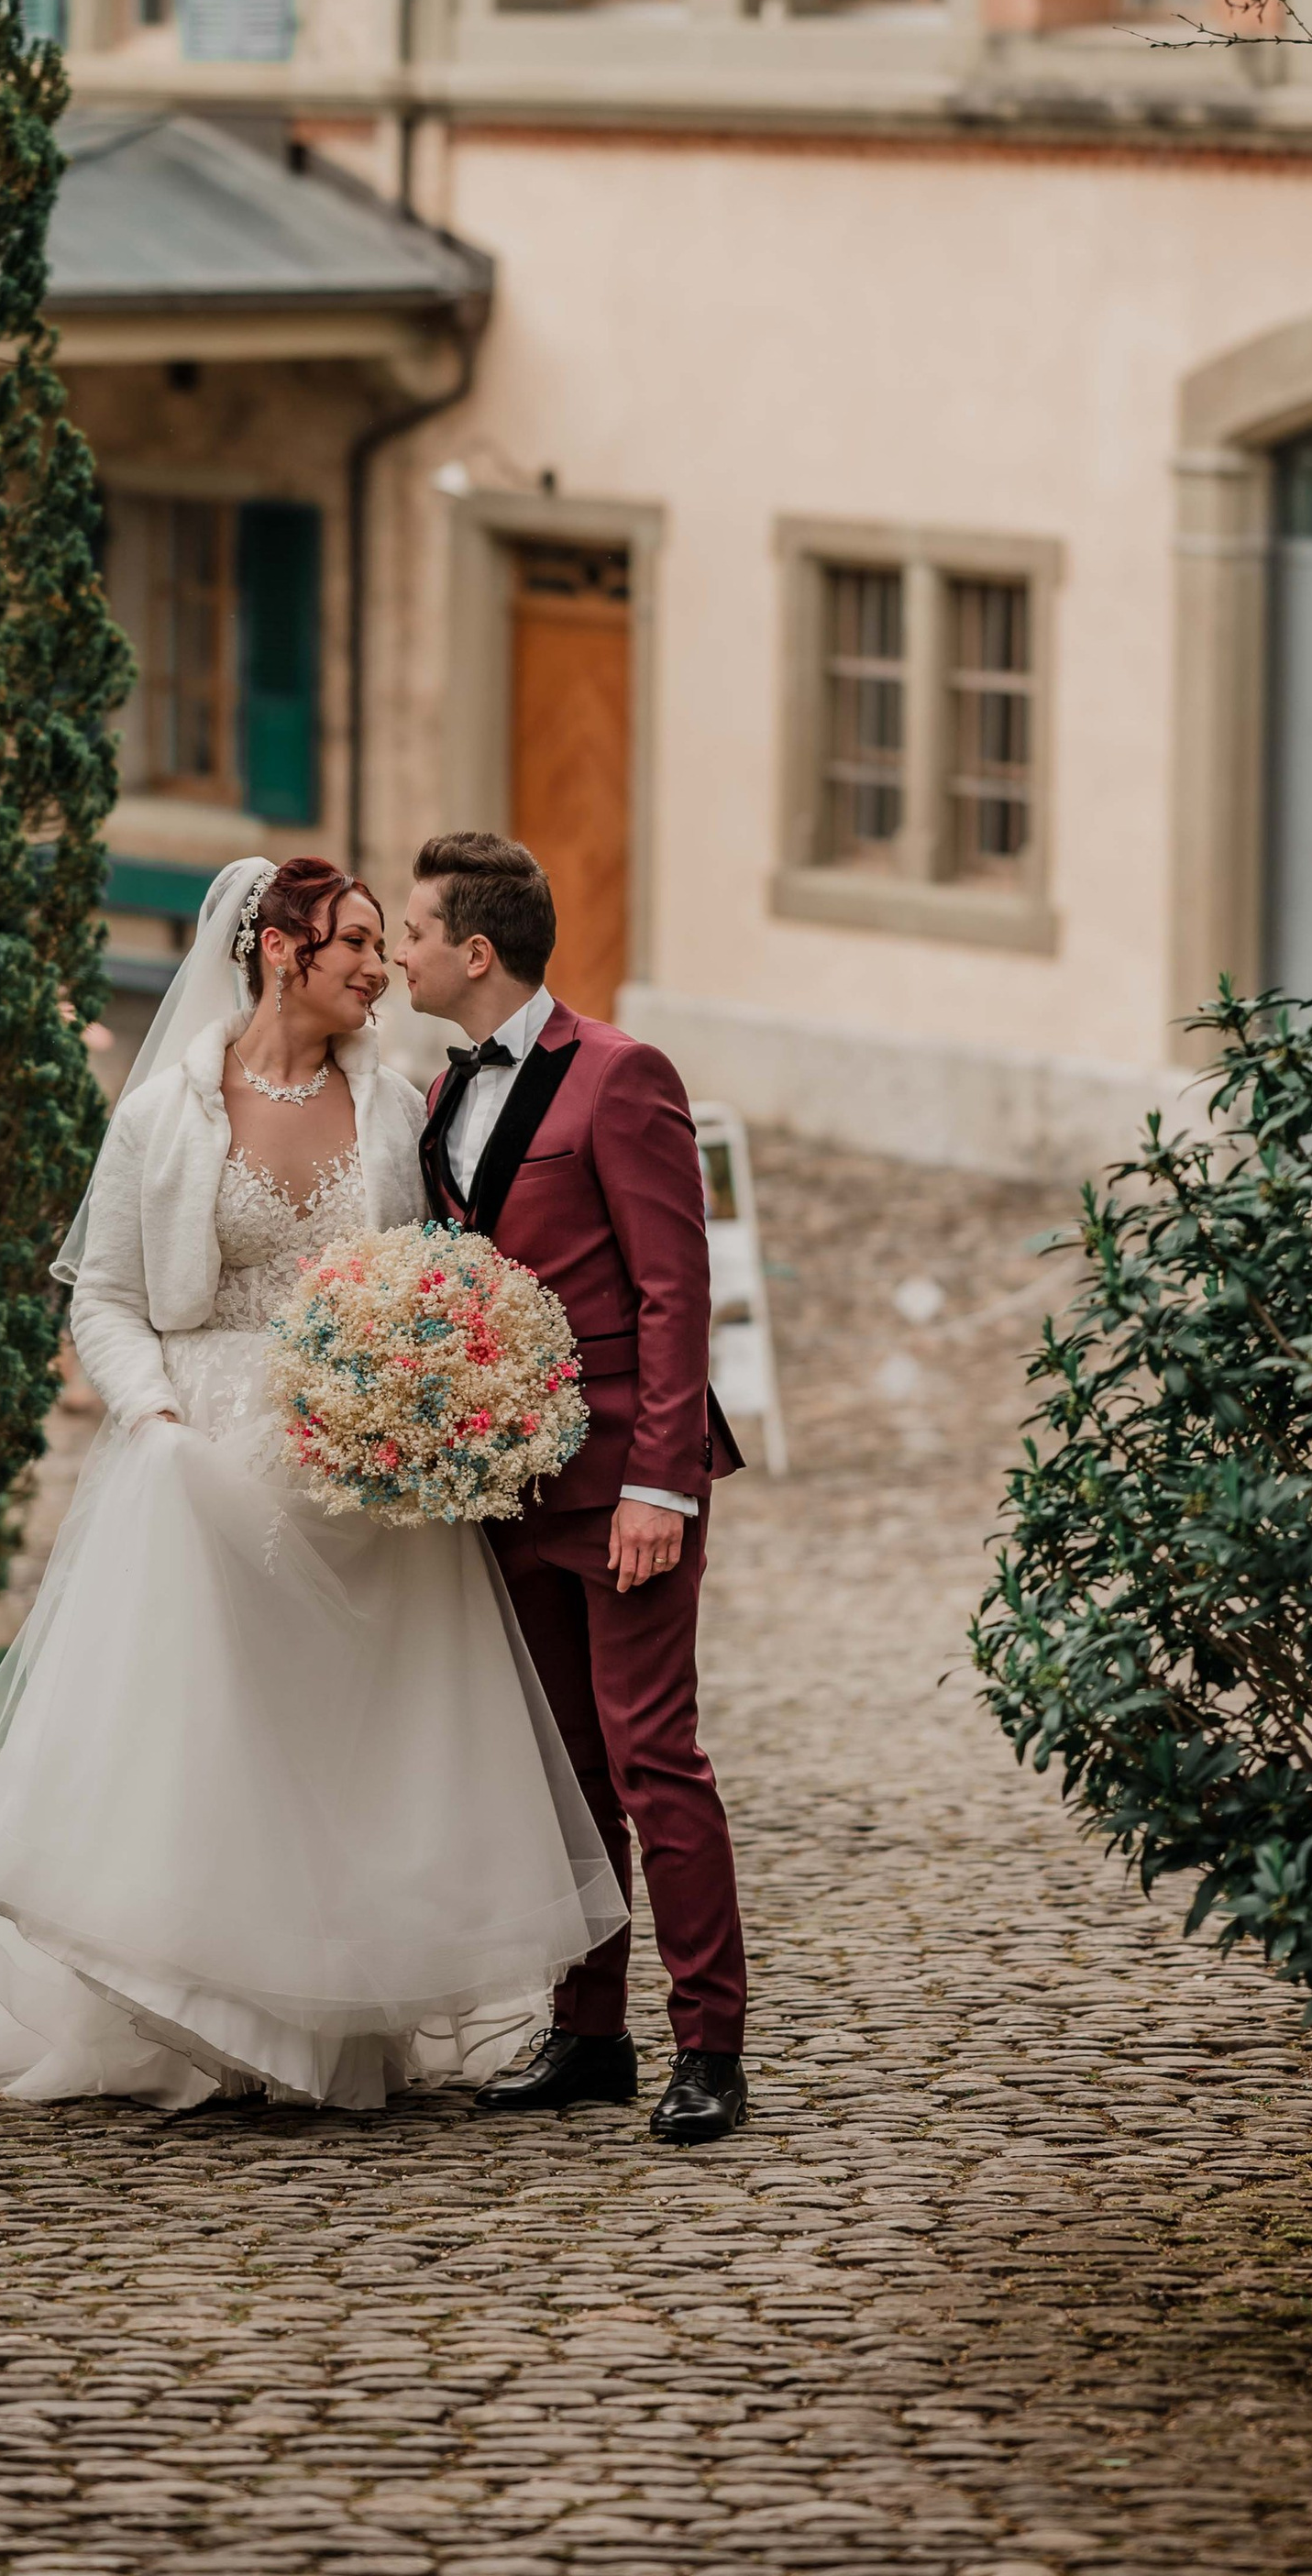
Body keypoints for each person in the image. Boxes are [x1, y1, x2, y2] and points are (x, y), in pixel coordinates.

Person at [0, 856, 624, 2113]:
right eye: (355, 942)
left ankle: (344, 2018)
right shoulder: (166, 1115)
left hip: (361, 1477)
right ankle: (211, 2015)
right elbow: (106, 1299)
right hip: (201, 1466)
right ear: (280, 953)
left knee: (358, 1747)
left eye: (382, 939)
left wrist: (430, 1399)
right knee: (214, 1749)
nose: (378, 965)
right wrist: (154, 1421)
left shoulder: (396, 1106)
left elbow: (425, 1276)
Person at [397, 831, 751, 2145]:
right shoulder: (441, 1099)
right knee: (566, 1770)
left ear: (476, 952)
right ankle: (588, 2032)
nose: (400, 959)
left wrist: (664, 1485)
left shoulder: (622, 1077)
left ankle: (712, 2046)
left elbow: (676, 1291)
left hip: (623, 1492)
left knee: (656, 1758)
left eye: (417, 936)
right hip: (510, 1488)